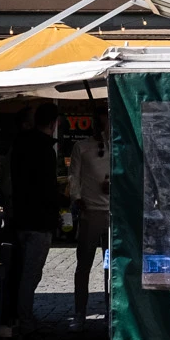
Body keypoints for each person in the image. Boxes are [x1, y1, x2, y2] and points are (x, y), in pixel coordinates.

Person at [7, 104, 65, 340]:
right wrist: (62, 203)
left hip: (20, 217)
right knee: (30, 274)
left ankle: (19, 318)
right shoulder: (44, 150)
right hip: (39, 220)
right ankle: (26, 324)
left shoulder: (20, 144)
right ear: (53, 123)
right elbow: (47, 188)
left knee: (21, 272)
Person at [68, 118, 110, 327]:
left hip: (113, 215)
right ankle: (79, 312)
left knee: (111, 267)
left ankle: (111, 310)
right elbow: (73, 176)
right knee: (84, 265)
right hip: (90, 213)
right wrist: (77, 199)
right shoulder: (82, 147)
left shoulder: (118, 146)